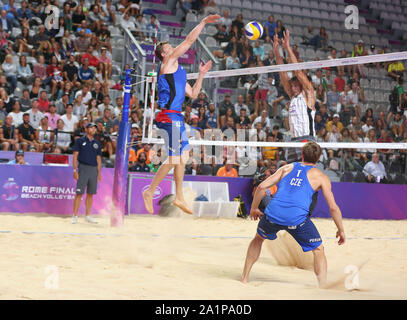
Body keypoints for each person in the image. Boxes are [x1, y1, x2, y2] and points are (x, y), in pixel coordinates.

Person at [142, 14, 220, 215]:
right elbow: (190, 41)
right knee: (176, 157)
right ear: (164, 53)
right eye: (168, 48)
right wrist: (202, 22)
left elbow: (193, 93)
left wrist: (201, 75)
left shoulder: (179, 72)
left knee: (182, 157)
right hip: (167, 116)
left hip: (177, 117)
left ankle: (178, 197)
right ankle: (150, 191)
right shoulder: (167, 62)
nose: (172, 48)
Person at [241, 141, 346, 287]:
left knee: (258, 239)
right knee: (318, 249)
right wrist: (340, 229)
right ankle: (323, 286)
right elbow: (333, 208)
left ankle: (245, 278)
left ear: (302, 154)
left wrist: (253, 208)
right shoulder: (321, 177)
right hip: (296, 220)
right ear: (319, 158)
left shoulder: (287, 168)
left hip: (273, 214)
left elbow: (261, 187)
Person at [274, 31, 316, 161]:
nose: (292, 88)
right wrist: (276, 51)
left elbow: (297, 71)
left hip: (307, 140)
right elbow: (282, 72)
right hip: (293, 140)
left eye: (296, 85)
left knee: (306, 174)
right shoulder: (293, 97)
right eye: (291, 86)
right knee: (292, 174)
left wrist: (287, 47)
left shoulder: (308, 93)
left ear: (302, 85)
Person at [71, 122, 102, 224]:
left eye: (94, 128)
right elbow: (75, 156)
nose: (93, 130)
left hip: (93, 169)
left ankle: (88, 215)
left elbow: (98, 159)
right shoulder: (80, 141)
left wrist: (99, 172)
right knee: (79, 193)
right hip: (83, 168)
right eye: (91, 128)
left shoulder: (97, 143)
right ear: (86, 129)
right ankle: (75, 215)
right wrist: (75, 170)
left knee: (90, 194)